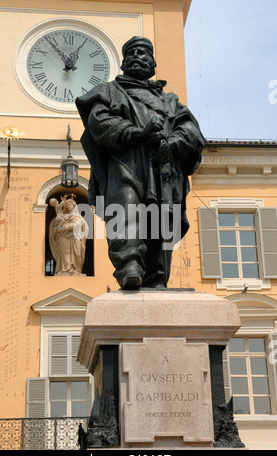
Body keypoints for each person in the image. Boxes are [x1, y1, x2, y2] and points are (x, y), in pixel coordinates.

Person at [76, 36, 204, 289]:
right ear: (124, 63)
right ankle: (129, 266)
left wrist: (172, 143)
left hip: (163, 167)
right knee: (125, 210)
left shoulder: (170, 102)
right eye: (131, 52)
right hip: (126, 162)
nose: (137, 56)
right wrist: (138, 133)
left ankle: (156, 276)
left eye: (144, 52)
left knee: (160, 218)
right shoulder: (109, 91)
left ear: (153, 62)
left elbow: (191, 131)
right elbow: (99, 122)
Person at [49, 197, 88, 275]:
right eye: (67, 204)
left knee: (77, 252)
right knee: (65, 254)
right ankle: (64, 269)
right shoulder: (62, 216)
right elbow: (55, 227)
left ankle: (76, 269)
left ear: (74, 205)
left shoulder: (78, 217)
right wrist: (59, 227)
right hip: (62, 237)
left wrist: (66, 227)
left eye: (70, 204)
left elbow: (81, 225)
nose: (69, 206)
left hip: (75, 236)